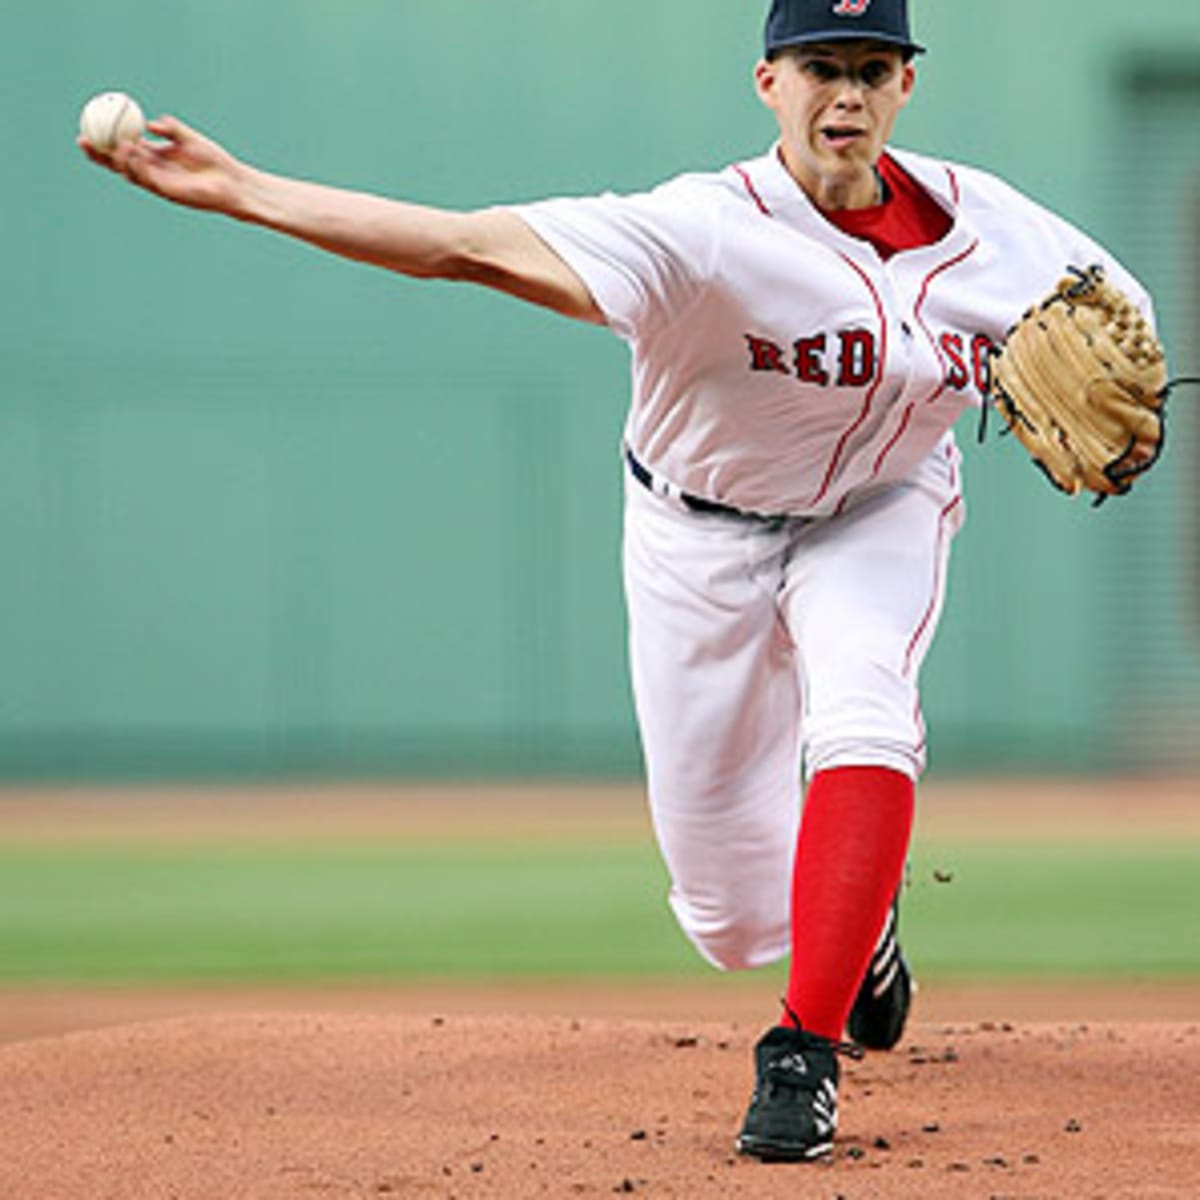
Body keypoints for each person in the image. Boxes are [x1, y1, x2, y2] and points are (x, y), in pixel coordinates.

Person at [81, 0, 1158, 1163]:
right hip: (699, 537)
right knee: (730, 912)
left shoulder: (997, 229)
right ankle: (860, 921)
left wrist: (1132, 424)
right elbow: (463, 244)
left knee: (866, 711)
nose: (843, 93)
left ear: (906, 85)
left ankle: (800, 1052)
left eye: (870, 68)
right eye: (817, 68)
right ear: (768, 84)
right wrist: (242, 188)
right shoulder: (700, 231)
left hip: (878, 512)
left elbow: (1126, 329)